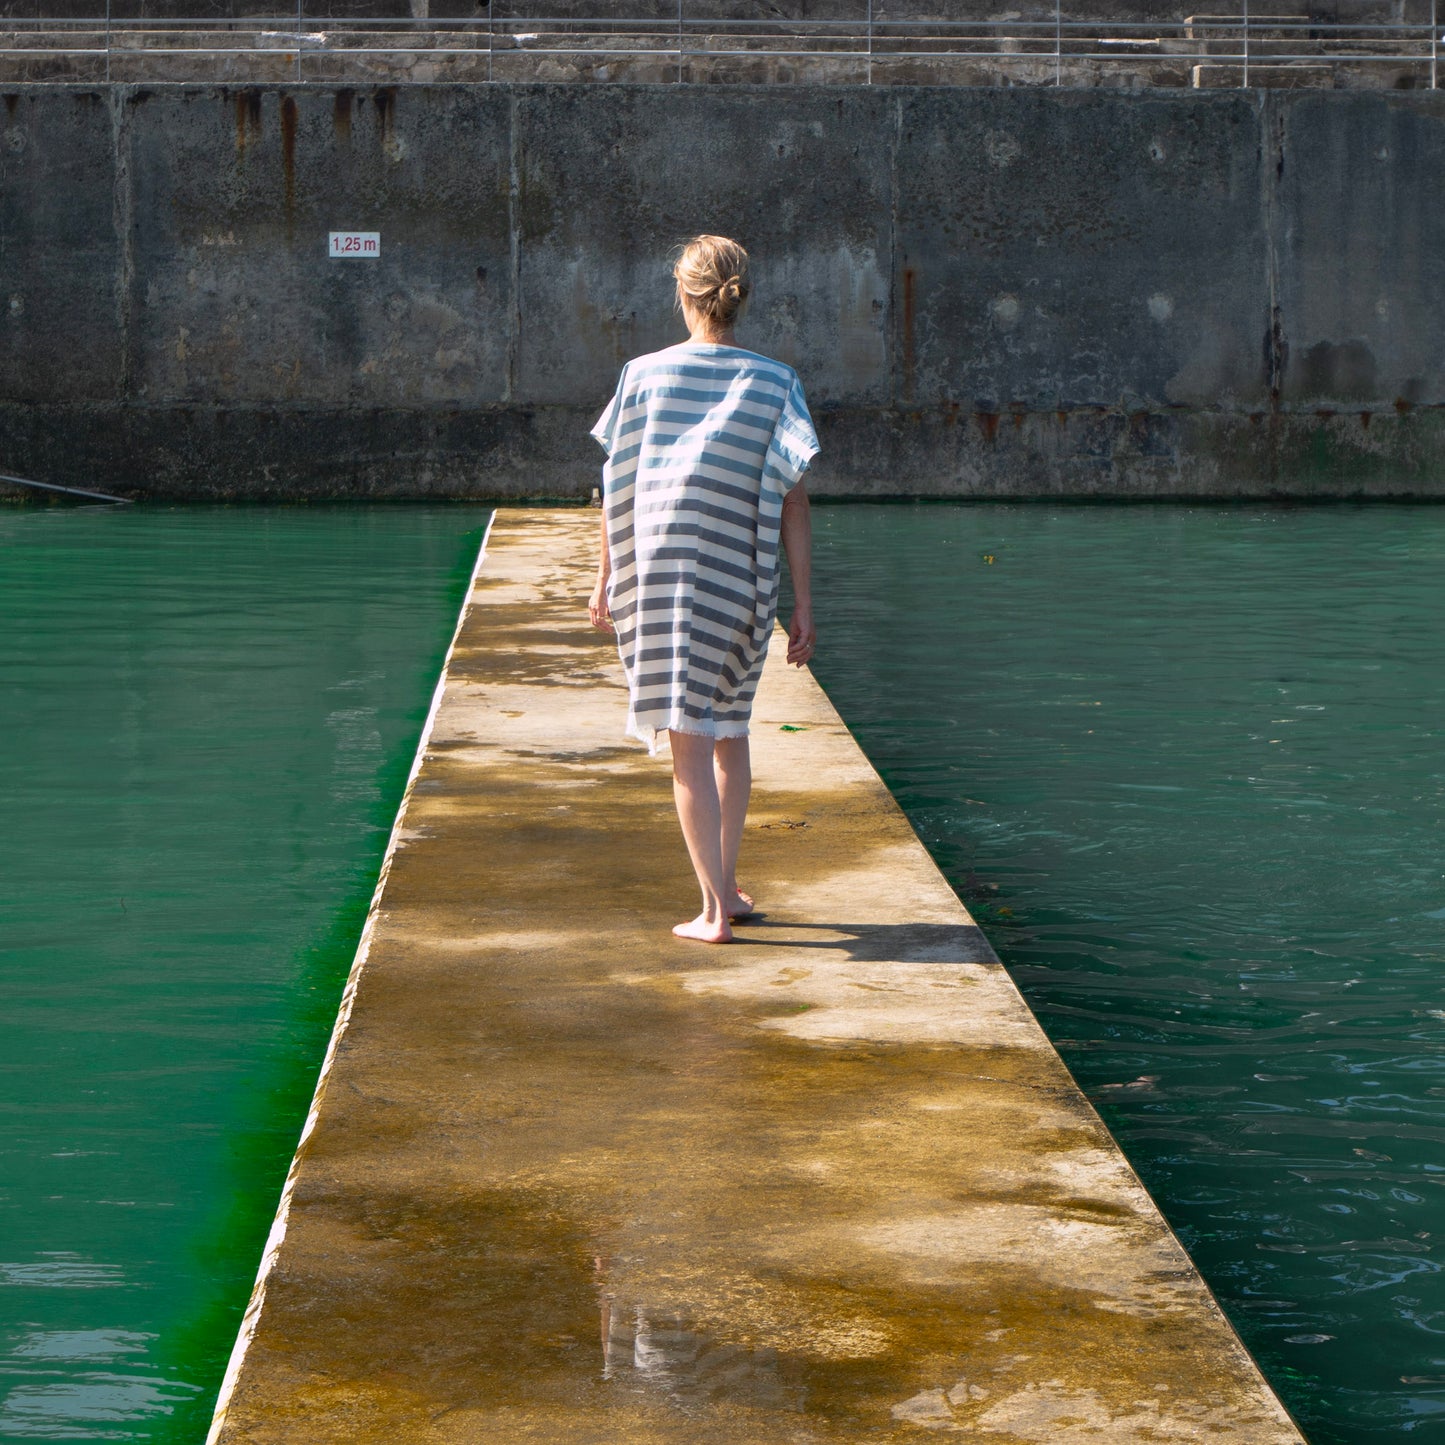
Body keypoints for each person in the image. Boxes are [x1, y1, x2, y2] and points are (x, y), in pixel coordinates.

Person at [587, 234, 819, 944]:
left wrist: (603, 580)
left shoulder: (643, 374)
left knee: (686, 743)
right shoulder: (776, 381)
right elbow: (794, 497)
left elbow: (615, 486)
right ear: (740, 296)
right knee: (728, 732)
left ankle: (714, 910)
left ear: (683, 295)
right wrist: (803, 602)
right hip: (740, 578)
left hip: (659, 579)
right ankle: (727, 887)